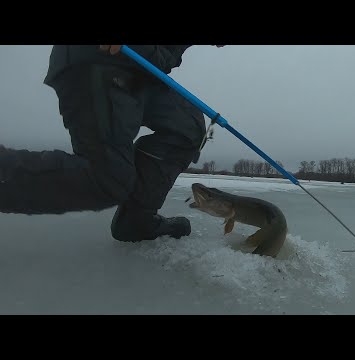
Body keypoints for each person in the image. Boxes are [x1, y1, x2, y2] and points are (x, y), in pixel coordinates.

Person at [0, 45, 223, 242]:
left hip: (143, 71)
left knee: (188, 129)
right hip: (101, 59)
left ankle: (136, 220)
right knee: (108, 179)